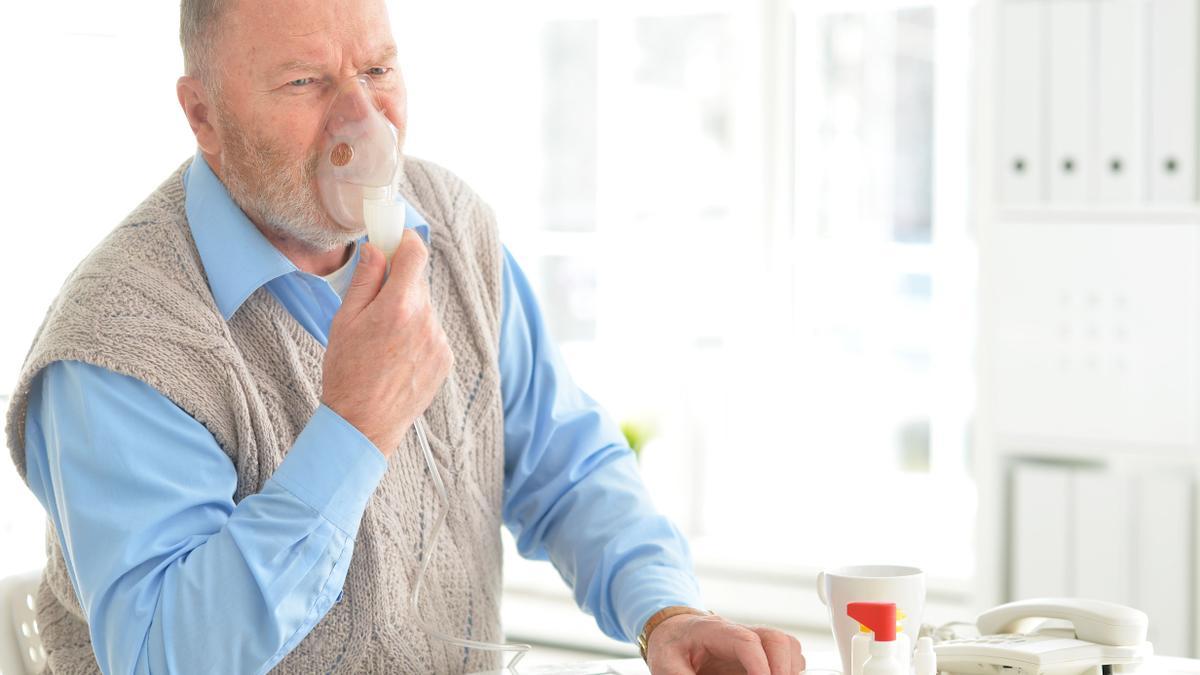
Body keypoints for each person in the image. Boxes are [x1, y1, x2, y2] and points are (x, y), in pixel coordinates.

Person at [3, 1, 805, 673]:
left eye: (379, 71)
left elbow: (567, 466)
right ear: (203, 115)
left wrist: (664, 609)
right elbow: (160, 654)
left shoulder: (450, 227)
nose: (363, 119)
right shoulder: (120, 342)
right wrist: (353, 428)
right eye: (305, 82)